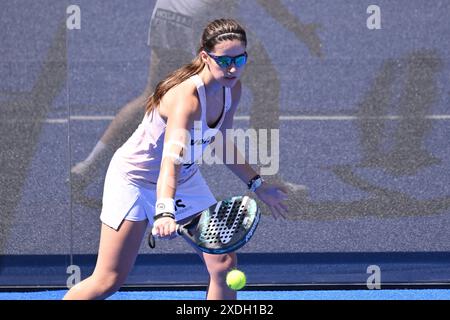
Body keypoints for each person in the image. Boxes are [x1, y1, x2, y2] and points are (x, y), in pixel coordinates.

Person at [63, 18, 288, 300]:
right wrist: (165, 211)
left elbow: (219, 140)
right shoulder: (186, 99)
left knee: (223, 264)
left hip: (185, 178)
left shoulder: (233, 89)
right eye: (225, 60)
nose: (233, 68)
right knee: (108, 279)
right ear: (205, 57)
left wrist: (257, 184)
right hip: (133, 179)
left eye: (240, 58)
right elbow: (171, 161)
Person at [71, 0, 321, 210]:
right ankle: (270, 175)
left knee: (154, 94)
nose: (234, 68)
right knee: (267, 85)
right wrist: (298, 28)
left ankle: (89, 165)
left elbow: (218, 140)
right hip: (204, 13)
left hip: (170, 11)